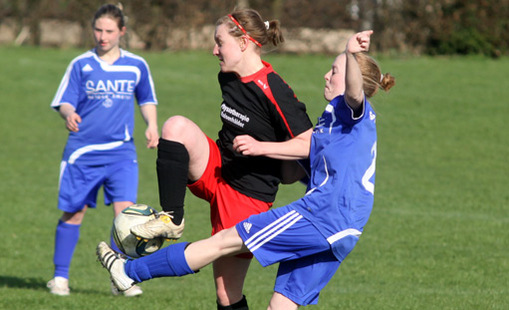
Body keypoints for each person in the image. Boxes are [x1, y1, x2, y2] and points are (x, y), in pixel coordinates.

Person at [97, 30, 395, 308]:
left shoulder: (352, 111)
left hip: (322, 215)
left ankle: (129, 271)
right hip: (346, 228)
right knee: (282, 304)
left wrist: (350, 54)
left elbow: (354, 94)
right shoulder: (335, 124)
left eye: (334, 71)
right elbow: (302, 161)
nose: (326, 75)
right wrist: (269, 148)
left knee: (224, 241)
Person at [130, 8, 313, 309]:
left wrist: (264, 150)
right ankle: (172, 218)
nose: (214, 50)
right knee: (175, 126)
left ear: (243, 43)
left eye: (220, 42)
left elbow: (309, 143)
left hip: (247, 196)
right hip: (216, 170)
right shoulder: (227, 77)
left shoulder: (274, 88)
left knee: (227, 295)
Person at [47, 3, 159, 297]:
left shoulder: (136, 65)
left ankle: (118, 278)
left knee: (126, 220)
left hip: (122, 153)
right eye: (98, 29)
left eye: (109, 30)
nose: (102, 36)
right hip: (83, 153)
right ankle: (59, 278)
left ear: (122, 32)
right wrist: (69, 113)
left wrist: (152, 125)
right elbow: (64, 100)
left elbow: (146, 99)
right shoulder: (81, 64)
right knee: (73, 214)